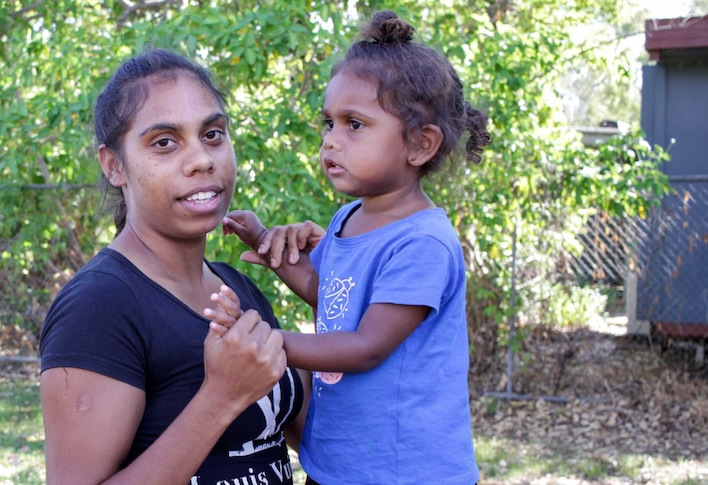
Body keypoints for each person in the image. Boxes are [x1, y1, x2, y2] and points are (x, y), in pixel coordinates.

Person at [209, 10, 490, 485]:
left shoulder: (422, 243)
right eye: (328, 123)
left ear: (421, 144)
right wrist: (265, 242)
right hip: (339, 465)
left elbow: (365, 346)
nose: (331, 142)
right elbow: (334, 300)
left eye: (354, 125)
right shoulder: (349, 218)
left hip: (404, 473)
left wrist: (263, 344)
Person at [39, 49, 309, 485]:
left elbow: (317, 438)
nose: (202, 159)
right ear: (114, 165)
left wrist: (324, 290)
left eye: (214, 134)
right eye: (165, 142)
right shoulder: (100, 305)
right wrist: (219, 398)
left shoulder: (237, 287)